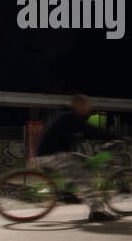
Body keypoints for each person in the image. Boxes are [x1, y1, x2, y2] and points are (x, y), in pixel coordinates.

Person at [36, 94, 118, 222]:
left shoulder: (63, 114)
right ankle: (96, 212)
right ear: (79, 105)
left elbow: (79, 132)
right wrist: (111, 136)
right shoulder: (69, 116)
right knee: (82, 177)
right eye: (86, 106)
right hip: (54, 156)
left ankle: (68, 191)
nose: (88, 109)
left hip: (51, 154)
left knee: (84, 161)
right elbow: (88, 130)